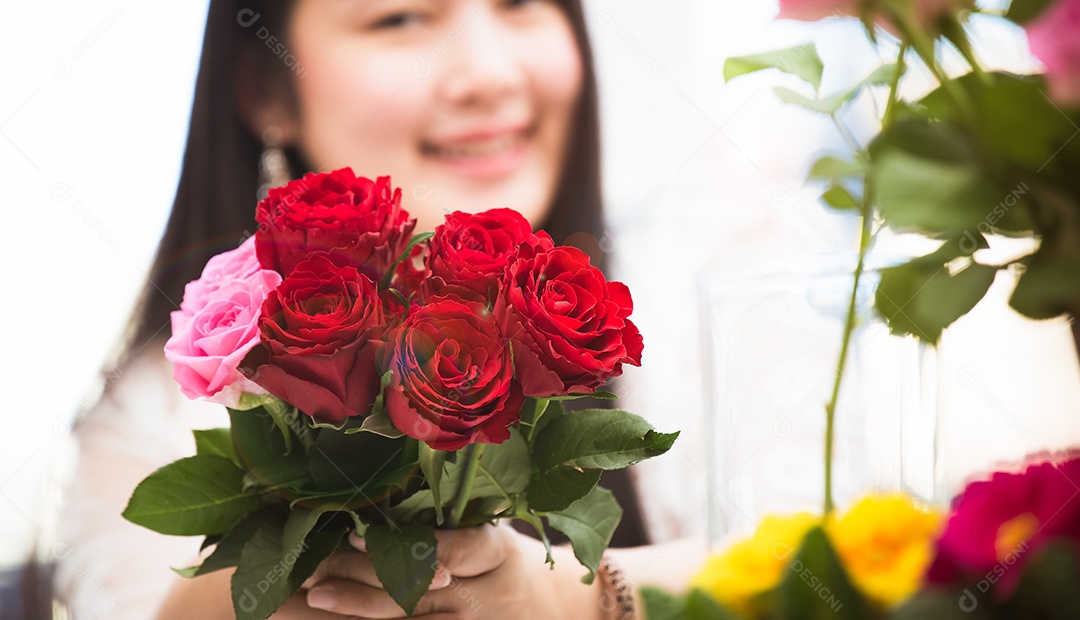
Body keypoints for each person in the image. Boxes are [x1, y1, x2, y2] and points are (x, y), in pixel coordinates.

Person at [56, 1, 705, 618]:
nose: (489, 74)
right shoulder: (144, 427)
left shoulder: (707, 288)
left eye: (520, 1)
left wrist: (568, 601)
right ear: (265, 89)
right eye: (399, 16)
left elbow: (793, 562)